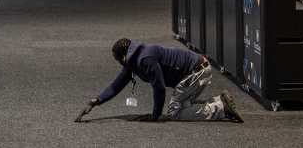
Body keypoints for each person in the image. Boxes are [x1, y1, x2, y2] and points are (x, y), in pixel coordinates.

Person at [77, 38, 243, 123]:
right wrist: (93, 102)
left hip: (197, 72)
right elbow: (117, 85)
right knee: (181, 105)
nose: (118, 63)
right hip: (194, 71)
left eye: (117, 59)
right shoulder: (134, 61)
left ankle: (221, 108)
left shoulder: (145, 59)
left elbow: (159, 87)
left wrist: (155, 115)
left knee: (175, 113)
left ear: (124, 56)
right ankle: (218, 101)